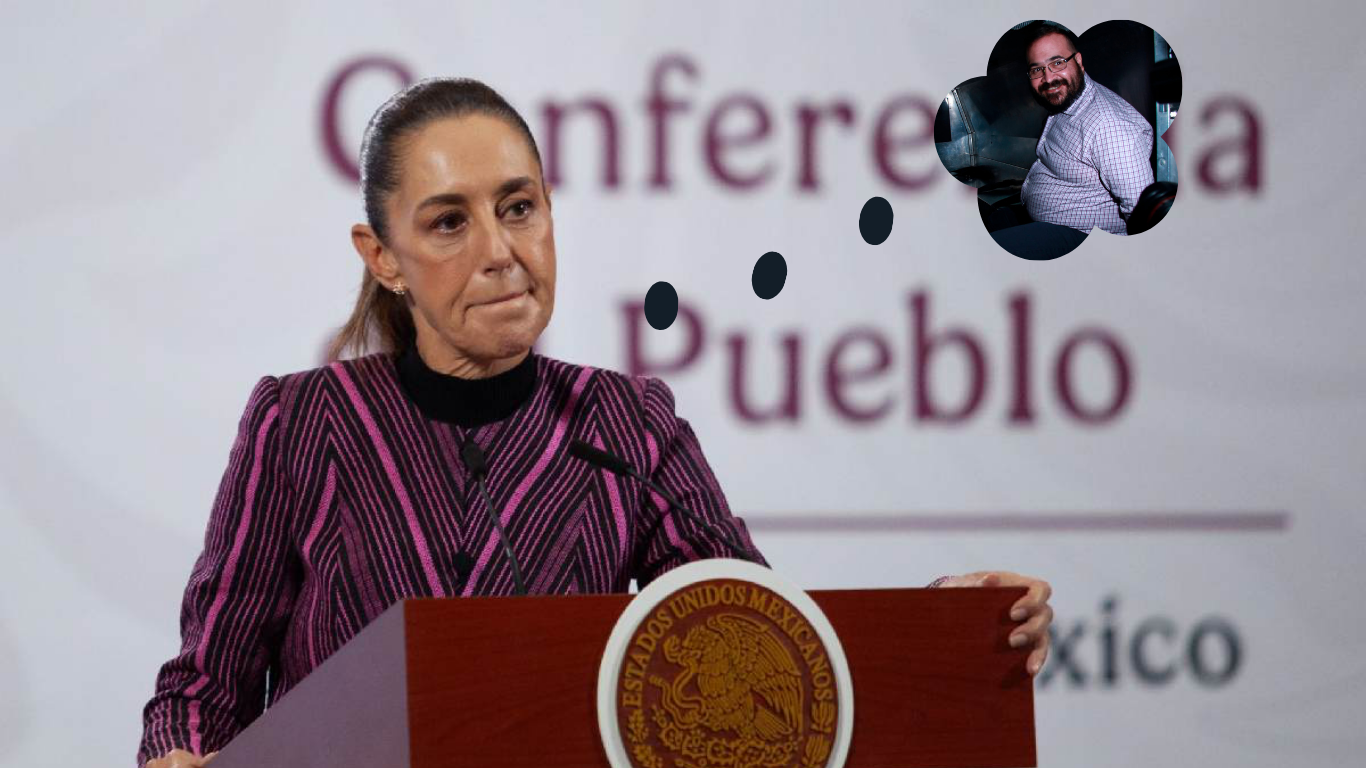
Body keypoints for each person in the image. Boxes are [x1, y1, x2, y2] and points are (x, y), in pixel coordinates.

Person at [138, 78, 1055, 767]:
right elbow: (203, 687)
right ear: (382, 257)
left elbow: (754, 641)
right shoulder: (301, 422)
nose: (501, 252)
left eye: (519, 208)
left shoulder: (627, 425)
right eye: (449, 223)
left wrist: (948, 627)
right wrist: (180, 755)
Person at [992, 21, 1155, 259]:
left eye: (1057, 63)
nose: (1048, 78)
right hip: (1041, 220)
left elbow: (1143, 215)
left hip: (1081, 238)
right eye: (1037, 69)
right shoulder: (1067, 99)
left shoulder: (1110, 127)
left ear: (1078, 61)